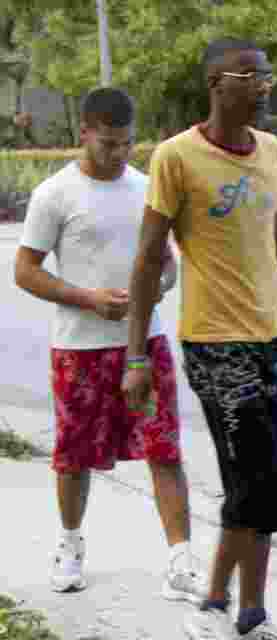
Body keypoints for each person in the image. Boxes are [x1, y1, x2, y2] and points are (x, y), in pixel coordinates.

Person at [123, 38, 277, 640]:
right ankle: (209, 611)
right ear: (217, 82)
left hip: (273, 342)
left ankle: (252, 618)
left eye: (269, 75)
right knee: (250, 483)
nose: (265, 85)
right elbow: (150, 257)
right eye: (252, 75)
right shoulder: (176, 158)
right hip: (214, 345)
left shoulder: (272, 152)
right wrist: (134, 356)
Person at [14, 87, 205, 602]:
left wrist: (152, 289)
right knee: (73, 455)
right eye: (108, 144)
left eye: (126, 144)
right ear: (84, 134)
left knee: (164, 447)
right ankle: (70, 545)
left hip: (146, 341)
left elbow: (167, 264)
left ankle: (181, 560)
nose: (118, 154)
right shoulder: (55, 194)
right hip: (78, 348)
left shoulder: (147, 188)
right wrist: (86, 298)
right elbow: (25, 271)